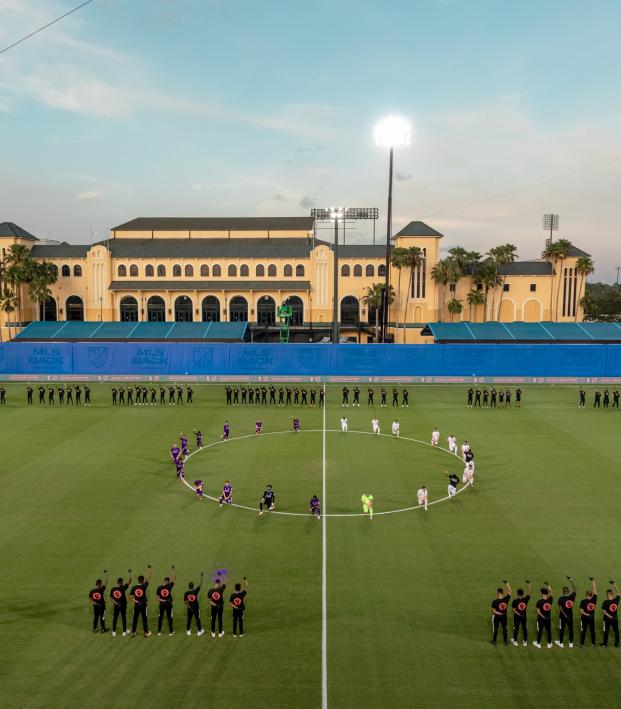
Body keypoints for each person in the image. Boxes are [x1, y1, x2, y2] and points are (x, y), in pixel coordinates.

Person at [130, 566, 152, 637]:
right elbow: (148, 578)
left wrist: (136, 601)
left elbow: (131, 597)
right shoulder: (144, 586)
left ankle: (133, 632)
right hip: (143, 605)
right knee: (144, 619)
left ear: (138, 580)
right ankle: (146, 633)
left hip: (137, 605)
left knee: (135, 619)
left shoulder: (134, 587)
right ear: (143, 581)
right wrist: (149, 569)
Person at [556, 577, 576, 648]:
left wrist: (564, 614)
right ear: (568, 591)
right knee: (571, 629)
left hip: (563, 616)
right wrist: (571, 581)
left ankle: (561, 643)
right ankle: (571, 643)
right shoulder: (572, 597)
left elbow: (560, 608)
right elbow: (575, 589)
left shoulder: (561, 598)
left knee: (562, 629)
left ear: (563, 592)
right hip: (570, 615)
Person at [110, 570, 132, 637]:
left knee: (115, 618)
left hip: (116, 606)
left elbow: (111, 598)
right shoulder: (123, 588)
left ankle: (114, 631)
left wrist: (116, 603)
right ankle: (124, 632)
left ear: (117, 582)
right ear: (122, 582)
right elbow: (129, 580)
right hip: (123, 605)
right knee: (123, 617)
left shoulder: (113, 589)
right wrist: (130, 573)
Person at [510, 581, 532, 646]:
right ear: (523, 594)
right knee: (524, 628)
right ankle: (525, 642)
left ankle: (515, 641)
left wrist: (518, 613)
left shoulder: (515, 601)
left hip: (517, 617)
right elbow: (530, 592)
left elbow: (514, 610)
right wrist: (529, 584)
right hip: (524, 616)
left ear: (517, 594)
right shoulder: (526, 599)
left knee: (516, 628)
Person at [156, 566, 176, 636]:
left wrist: (162, 600)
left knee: (160, 617)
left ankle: (159, 631)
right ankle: (171, 632)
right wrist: (173, 570)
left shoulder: (159, 588)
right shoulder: (169, 586)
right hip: (168, 604)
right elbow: (174, 579)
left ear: (164, 580)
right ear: (167, 581)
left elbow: (157, 598)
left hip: (161, 604)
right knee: (169, 617)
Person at [533, 583, 553, 649]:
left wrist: (543, 616)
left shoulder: (539, 602)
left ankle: (538, 643)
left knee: (540, 631)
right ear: (547, 594)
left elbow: (538, 612)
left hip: (541, 619)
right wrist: (548, 585)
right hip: (548, 618)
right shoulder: (550, 599)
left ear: (542, 593)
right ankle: (549, 644)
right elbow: (551, 592)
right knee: (549, 631)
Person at [601, 581, 620, 647]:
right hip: (615, 618)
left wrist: (610, 616)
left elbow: (604, 611)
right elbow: (618, 593)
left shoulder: (605, 602)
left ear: (608, 594)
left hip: (607, 619)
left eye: (606, 594)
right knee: (616, 631)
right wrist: (614, 584)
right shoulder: (616, 600)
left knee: (606, 631)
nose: (606, 595)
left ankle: (605, 644)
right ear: (612, 594)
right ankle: (617, 644)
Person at [579, 577, 597, 646]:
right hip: (592, 618)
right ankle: (593, 643)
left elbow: (582, 612)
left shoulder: (583, 601)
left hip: (585, 618)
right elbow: (595, 590)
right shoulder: (594, 599)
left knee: (584, 630)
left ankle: (582, 643)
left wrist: (587, 614)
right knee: (592, 631)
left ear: (586, 594)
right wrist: (593, 581)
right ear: (591, 595)